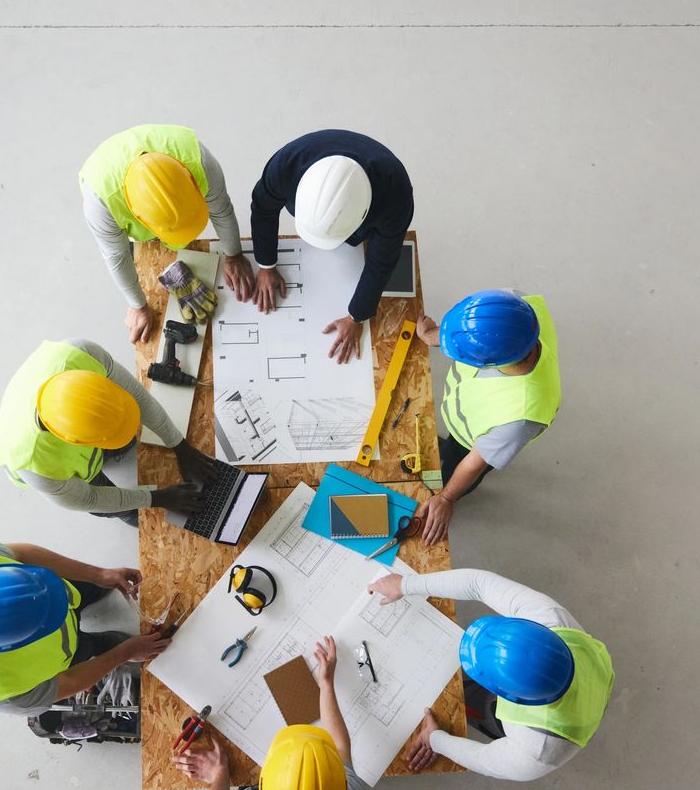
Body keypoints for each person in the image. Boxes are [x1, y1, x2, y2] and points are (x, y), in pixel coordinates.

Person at [368, 569, 613, 782]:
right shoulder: (549, 618)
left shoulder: (536, 751)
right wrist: (405, 584)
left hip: (555, 724)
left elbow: (482, 758)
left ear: (504, 694)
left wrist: (435, 739)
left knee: (474, 706)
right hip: (594, 681)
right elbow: (478, 583)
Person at [175, 637, 368, 790]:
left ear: (261, 784)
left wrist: (218, 775)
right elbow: (341, 746)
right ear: (339, 787)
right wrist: (326, 684)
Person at [0, 538, 171, 716]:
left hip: (49, 590)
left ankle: (96, 593)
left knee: (87, 589)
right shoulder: (4, 692)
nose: (64, 607)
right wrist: (124, 653)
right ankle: (105, 643)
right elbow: (71, 681)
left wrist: (99, 575)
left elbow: (23, 553)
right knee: (98, 646)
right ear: (20, 643)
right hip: (71, 653)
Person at [0, 337, 217, 526]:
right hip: (39, 454)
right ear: (78, 441)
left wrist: (180, 445)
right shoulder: (39, 469)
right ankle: (132, 512)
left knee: (125, 439)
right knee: (121, 510)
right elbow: (91, 498)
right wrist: (158, 498)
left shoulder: (80, 355)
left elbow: (139, 398)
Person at [250, 130, 414, 363]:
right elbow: (263, 209)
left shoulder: (395, 196)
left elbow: (382, 261)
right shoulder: (286, 165)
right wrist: (266, 264)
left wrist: (357, 315)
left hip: (380, 191)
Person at [80, 123, 254, 342]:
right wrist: (139, 306)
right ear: (138, 216)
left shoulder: (201, 163)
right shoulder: (100, 205)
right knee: (126, 247)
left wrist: (234, 255)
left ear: (190, 180)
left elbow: (221, 210)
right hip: (106, 179)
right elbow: (116, 256)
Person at [415, 289, 561, 544]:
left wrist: (446, 499)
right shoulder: (514, 310)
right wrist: (433, 336)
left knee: (451, 472)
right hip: (466, 418)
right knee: (445, 449)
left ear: (489, 363)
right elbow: (477, 327)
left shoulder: (520, 418)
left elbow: (475, 462)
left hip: (472, 443)